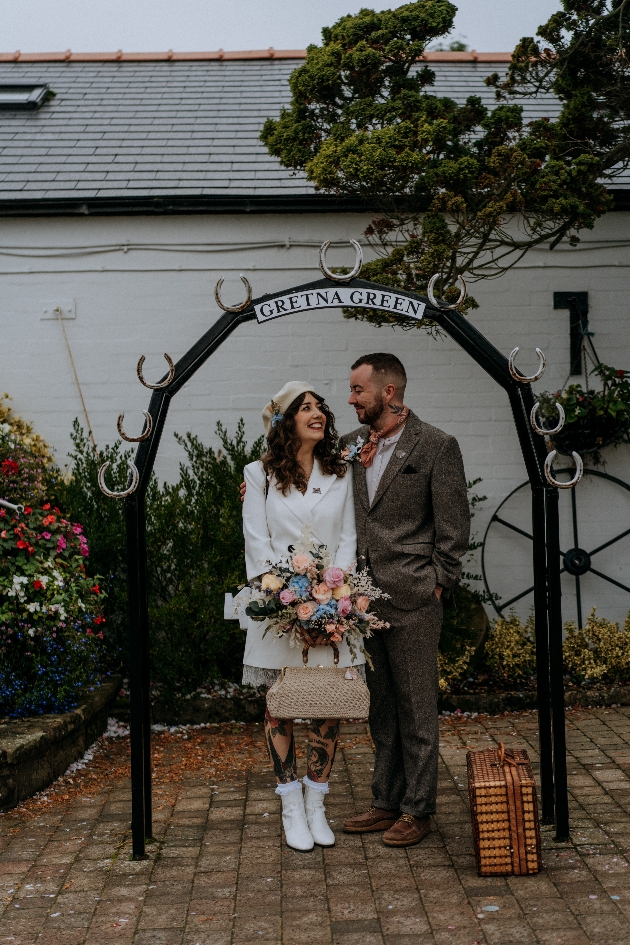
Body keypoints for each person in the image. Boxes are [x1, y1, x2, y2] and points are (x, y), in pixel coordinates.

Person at [339, 353, 470, 847]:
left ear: (387, 392)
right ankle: (385, 801)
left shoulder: (436, 445)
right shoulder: (353, 445)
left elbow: (454, 525)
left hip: (414, 596)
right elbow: (310, 482)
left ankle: (419, 810)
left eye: (358, 390)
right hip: (362, 601)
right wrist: (259, 484)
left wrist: (439, 581)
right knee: (382, 708)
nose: (350, 399)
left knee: (417, 707)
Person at [239, 380, 363, 853]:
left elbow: (348, 537)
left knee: (331, 704)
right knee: (281, 705)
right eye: (304, 407)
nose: (317, 413)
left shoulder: (341, 471)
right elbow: (258, 542)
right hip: (279, 608)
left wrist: (335, 596)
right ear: (285, 420)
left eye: (320, 407)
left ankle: (317, 800)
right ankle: (290, 802)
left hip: (336, 604)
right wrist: (290, 602)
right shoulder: (258, 474)